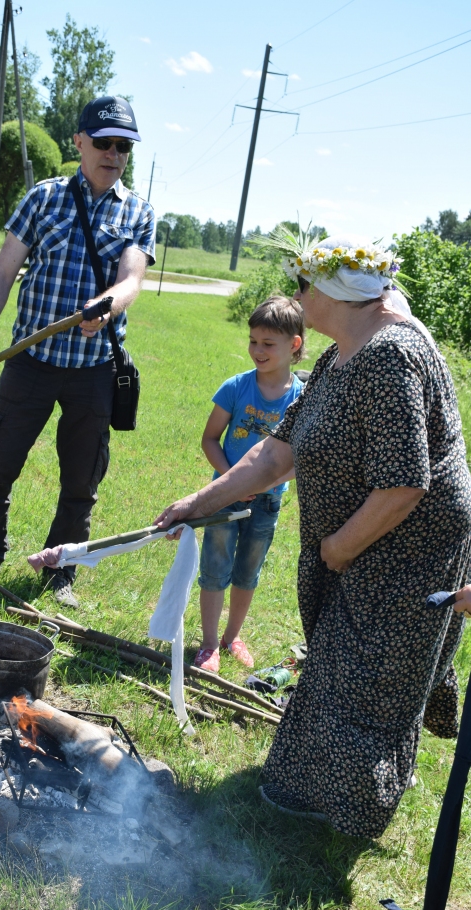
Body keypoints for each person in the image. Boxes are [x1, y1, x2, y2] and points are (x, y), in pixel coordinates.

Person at [154, 231, 471, 838]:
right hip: (367, 541)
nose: (297, 295)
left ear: (333, 292)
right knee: (334, 666)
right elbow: (275, 456)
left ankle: (346, 815)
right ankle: (314, 791)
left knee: (367, 677)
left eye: (305, 283)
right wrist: (198, 502)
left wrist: (337, 548)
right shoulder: (342, 352)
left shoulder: (387, 357)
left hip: (407, 549)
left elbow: (405, 485)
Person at [0, 96, 155, 607]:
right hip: (30, 361)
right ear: (80, 142)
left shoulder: (138, 211)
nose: (114, 153)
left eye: (124, 146)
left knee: (81, 478)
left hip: (93, 370)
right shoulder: (43, 198)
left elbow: (131, 280)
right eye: (105, 142)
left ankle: (59, 569)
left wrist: (106, 307)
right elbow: (3, 272)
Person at [194, 296, 305, 673]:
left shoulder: (302, 398)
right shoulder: (236, 387)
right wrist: (231, 481)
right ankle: (209, 645)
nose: (257, 350)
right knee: (215, 566)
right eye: (253, 340)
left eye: (268, 344)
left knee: (247, 571)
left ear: (295, 344)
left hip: (268, 502)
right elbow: (210, 439)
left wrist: (270, 480)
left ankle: (232, 637)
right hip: (224, 498)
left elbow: (301, 458)